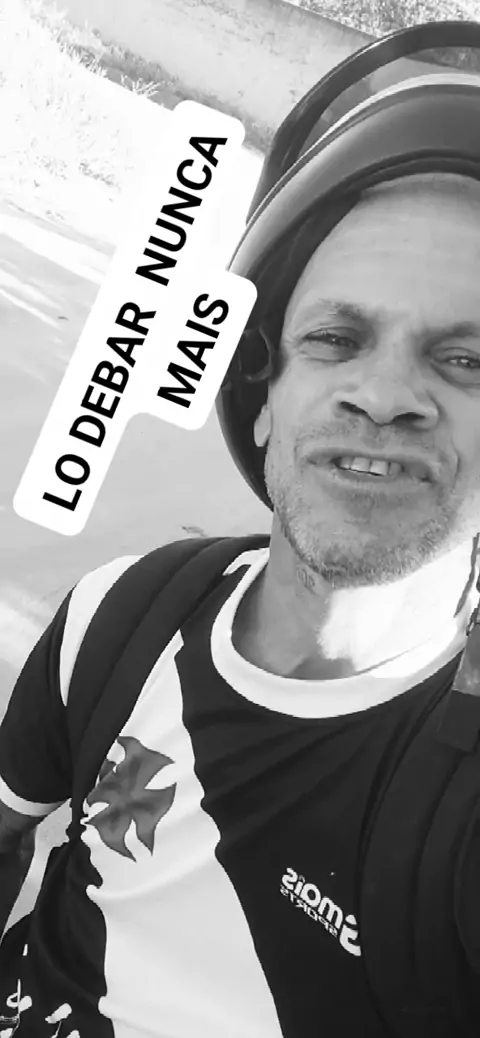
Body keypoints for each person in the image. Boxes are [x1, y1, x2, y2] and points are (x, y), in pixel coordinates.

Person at [2, 33, 480, 1038]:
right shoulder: (119, 616)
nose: (384, 395)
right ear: (260, 396)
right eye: (335, 339)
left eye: (467, 360)